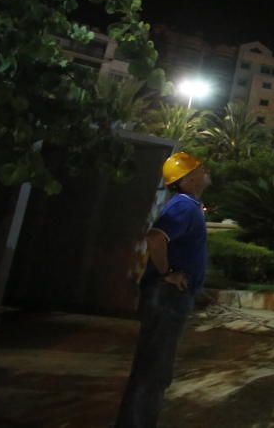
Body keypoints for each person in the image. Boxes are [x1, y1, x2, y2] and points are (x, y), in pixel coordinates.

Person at [116, 151, 211, 428]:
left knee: (153, 368)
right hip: (168, 298)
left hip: (170, 296)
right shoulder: (183, 206)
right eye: (200, 168)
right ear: (188, 178)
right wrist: (168, 273)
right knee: (153, 371)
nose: (205, 171)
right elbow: (156, 238)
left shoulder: (187, 205)